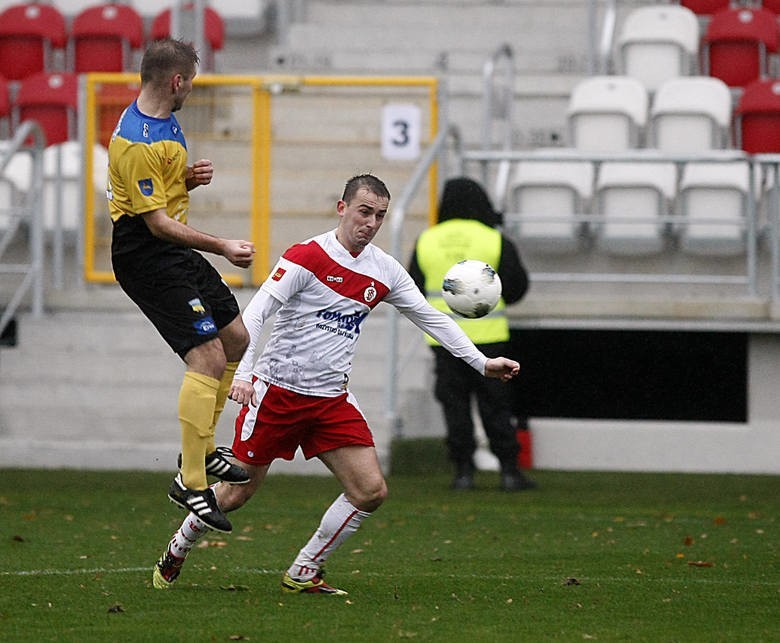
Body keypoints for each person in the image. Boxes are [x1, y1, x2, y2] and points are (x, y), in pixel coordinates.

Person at [151, 174, 522, 594]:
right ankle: (178, 549)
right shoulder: (306, 256)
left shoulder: (384, 269)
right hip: (276, 393)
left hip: (330, 399)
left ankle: (305, 570)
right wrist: (242, 374)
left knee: (370, 491)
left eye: (380, 215)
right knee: (236, 495)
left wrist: (481, 361)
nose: (371, 223)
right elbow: (255, 314)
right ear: (342, 208)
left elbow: (429, 316)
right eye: (364, 212)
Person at [107, 38, 256, 535]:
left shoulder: (164, 121)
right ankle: (190, 483)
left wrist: (186, 181)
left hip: (171, 249)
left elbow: (159, 195)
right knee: (207, 357)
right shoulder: (136, 141)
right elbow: (155, 224)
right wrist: (222, 246)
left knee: (236, 338)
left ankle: (207, 451)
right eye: (190, 79)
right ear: (176, 82)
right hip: (145, 255)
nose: (192, 87)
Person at [407, 176, 536, 492]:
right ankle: (508, 471)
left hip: (444, 341)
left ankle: (463, 472)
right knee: (496, 405)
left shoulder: (427, 240)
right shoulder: (493, 239)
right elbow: (517, 287)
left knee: (455, 406)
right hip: (489, 338)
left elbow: (413, 287)